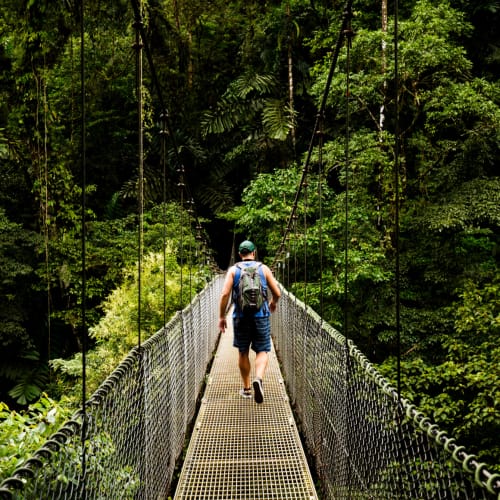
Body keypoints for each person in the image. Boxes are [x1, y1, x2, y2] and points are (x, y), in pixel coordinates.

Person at [218, 240, 281, 403]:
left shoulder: (233, 270)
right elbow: (278, 293)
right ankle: (258, 379)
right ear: (254, 253)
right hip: (261, 317)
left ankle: (246, 389)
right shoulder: (264, 268)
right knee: (262, 350)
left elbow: (225, 294)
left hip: (241, 317)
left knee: (243, 351)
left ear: (240, 254)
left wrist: (221, 316)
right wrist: (273, 303)